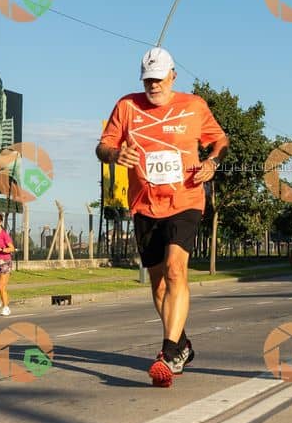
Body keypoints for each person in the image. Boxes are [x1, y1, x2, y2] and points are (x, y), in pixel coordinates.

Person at [96, 47, 228, 387]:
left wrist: (212, 162)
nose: (153, 85)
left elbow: (220, 140)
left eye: (158, 79)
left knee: (175, 269)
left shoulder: (193, 106)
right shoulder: (127, 106)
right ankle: (181, 343)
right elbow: (103, 146)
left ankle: (168, 353)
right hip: (144, 204)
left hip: (185, 199)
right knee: (157, 284)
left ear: (173, 76)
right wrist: (115, 154)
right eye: (147, 80)